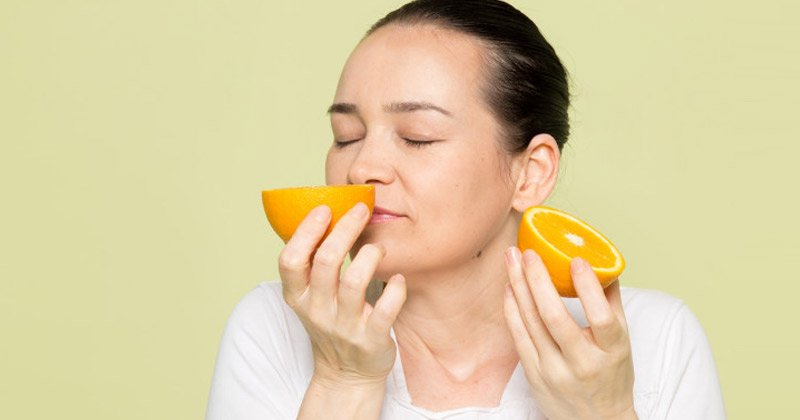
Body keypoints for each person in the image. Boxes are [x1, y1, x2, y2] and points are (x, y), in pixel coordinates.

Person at [205, 1, 725, 419]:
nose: (362, 167)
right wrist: (345, 381)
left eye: (418, 137)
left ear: (531, 172)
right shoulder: (275, 326)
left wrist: (603, 414)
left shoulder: (655, 338)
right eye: (347, 136)